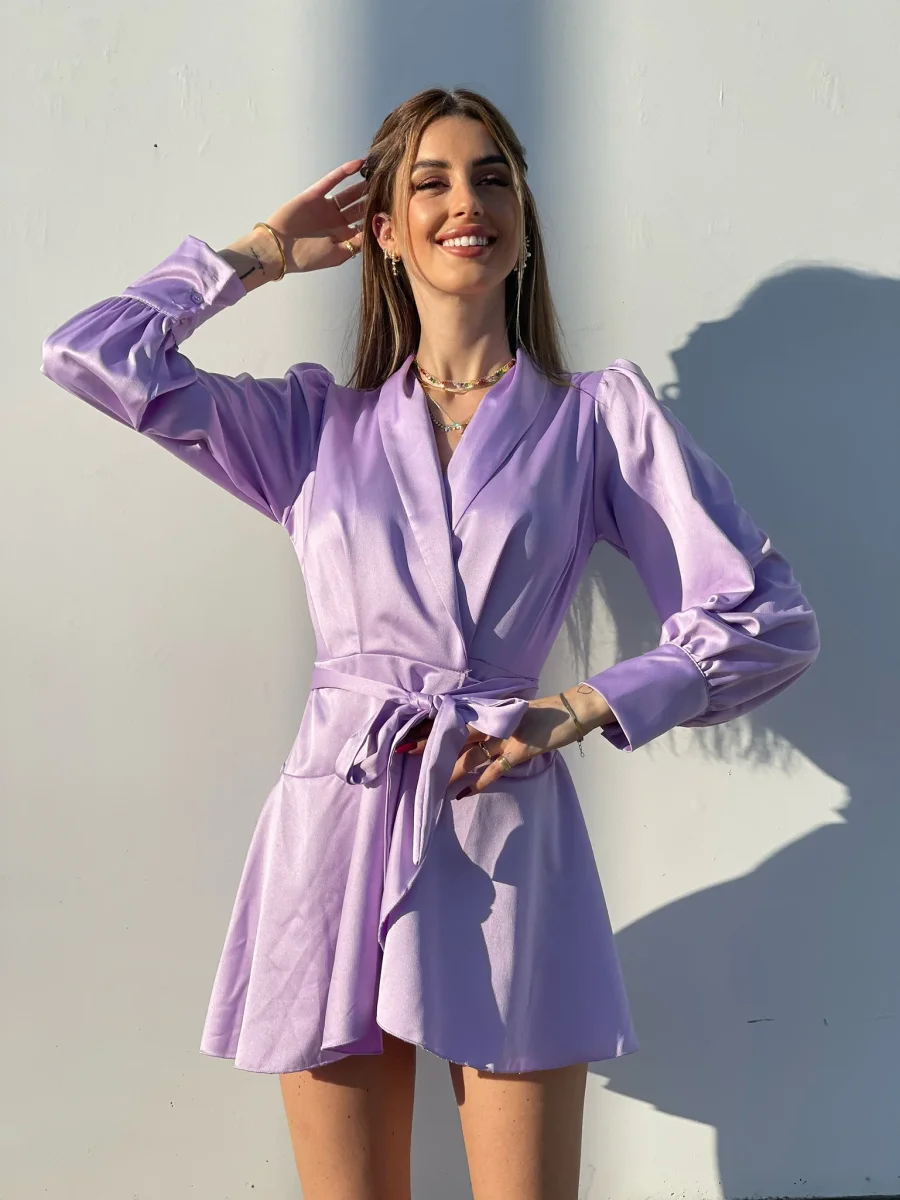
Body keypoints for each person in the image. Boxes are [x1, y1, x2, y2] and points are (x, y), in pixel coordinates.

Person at [39, 87, 820, 1200]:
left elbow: (764, 614)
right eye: (432, 182)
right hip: (338, 821)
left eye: (494, 177)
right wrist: (256, 256)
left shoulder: (597, 419)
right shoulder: (312, 428)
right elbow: (90, 355)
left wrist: (579, 707)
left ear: (524, 223)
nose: (468, 202)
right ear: (386, 233)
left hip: (502, 811)